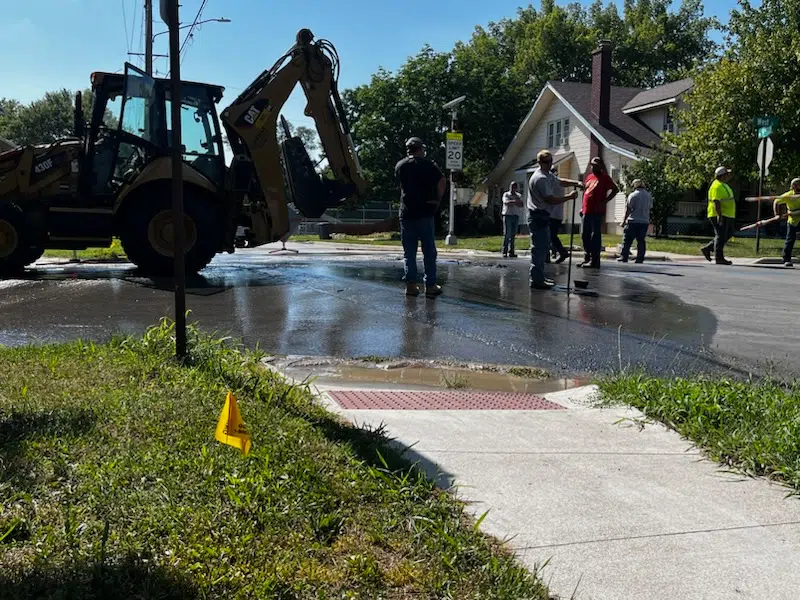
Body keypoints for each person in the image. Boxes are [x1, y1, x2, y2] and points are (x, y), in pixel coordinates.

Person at [395, 137, 446, 297]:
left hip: (406, 214)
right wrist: (437, 200)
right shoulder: (429, 165)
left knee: (409, 253)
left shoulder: (400, 166)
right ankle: (430, 285)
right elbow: (442, 181)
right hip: (425, 213)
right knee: (429, 251)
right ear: (420, 149)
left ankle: (411, 285)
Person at [527, 150, 580, 290]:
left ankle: (539, 277)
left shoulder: (548, 175)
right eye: (546, 162)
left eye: (550, 161)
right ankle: (536, 280)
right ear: (539, 163)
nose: (549, 164)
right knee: (539, 249)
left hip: (543, 215)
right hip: (537, 215)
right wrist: (569, 197)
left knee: (543, 247)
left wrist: (576, 183)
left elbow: (560, 182)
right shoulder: (540, 179)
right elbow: (550, 199)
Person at [580, 157, 619, 268]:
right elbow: (585, 193)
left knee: (595, 235)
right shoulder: (589, 177)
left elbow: (615, 189)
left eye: (596, 165)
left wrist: (605, 201)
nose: (593, 167)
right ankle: (586, 257)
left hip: (597, 211)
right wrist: (582, 208)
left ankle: (594, 260)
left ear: (600, 166)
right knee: (585, 235)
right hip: (586, 210)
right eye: (592, 165)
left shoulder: (605, 177)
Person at [700, 166, 735, 265]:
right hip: (718, 214)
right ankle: (719, 258)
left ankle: (708, 249)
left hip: (728, 214)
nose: (728, 176)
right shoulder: (716, 186)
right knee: (720, 235)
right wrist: (720, 216)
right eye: (727, 174)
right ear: (722, 175)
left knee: (728, 233)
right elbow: (716, 202)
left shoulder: (723, 185)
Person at [618, 179, 653, 263]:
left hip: (633, 220)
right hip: (644, 221)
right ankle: (640, 258)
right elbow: (650, 208)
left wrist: (624, 220)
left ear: (634, 185)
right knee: (641, 241)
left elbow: (628, 209)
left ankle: (624, 256)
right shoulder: (649, 196)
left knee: (627, 240)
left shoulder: (633, 195)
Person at [773, 177, 800, 268]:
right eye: (798, 185)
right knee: (790, 239)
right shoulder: (789, 195)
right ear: (794, 186)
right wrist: (777, 214)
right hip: (793, 220)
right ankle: (786, 259)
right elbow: (776, 201)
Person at [501, 182, 524, 257]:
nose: (513, 188)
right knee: (507, 233)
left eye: (514, 187)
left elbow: (521, 204)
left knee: (513, 234)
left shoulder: (518, 195)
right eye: (512, 186)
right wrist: (514, 201)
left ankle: (512, 251)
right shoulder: (506, 194)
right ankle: (504, 251)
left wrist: (514, 202)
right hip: (508, 215)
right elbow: (506, 202)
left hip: (515, 215)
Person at [547, 190, 569, 264]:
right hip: (557, 215)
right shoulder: (557, 184)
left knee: (549, 235)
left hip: (552, 214)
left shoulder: (552, 184)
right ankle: (561, 252)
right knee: (552, 235)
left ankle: (561, 252)